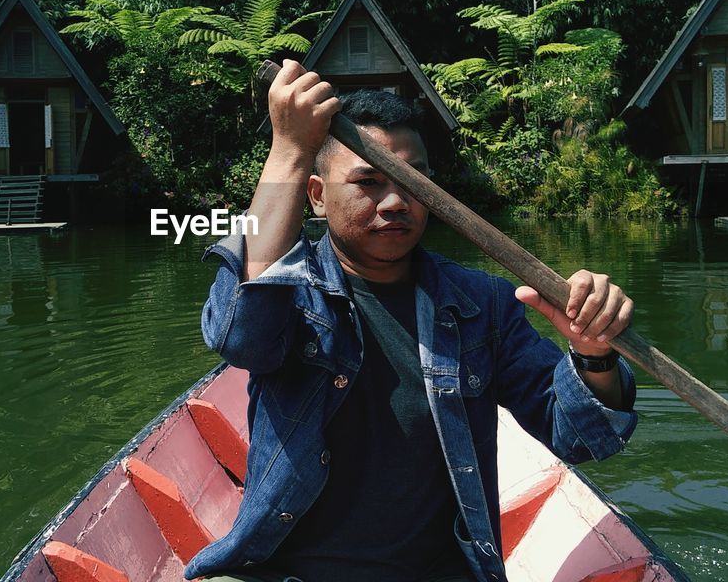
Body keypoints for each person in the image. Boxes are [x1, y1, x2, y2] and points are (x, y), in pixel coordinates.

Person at [186, 61, 638, 582]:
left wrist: (593, 353)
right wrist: (288, 146)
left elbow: (578, 438)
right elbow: (241, 337)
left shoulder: (483, 305)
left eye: (412, 181)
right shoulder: (295, 294)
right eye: (369, 183)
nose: (397, 201)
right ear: (315, 194)